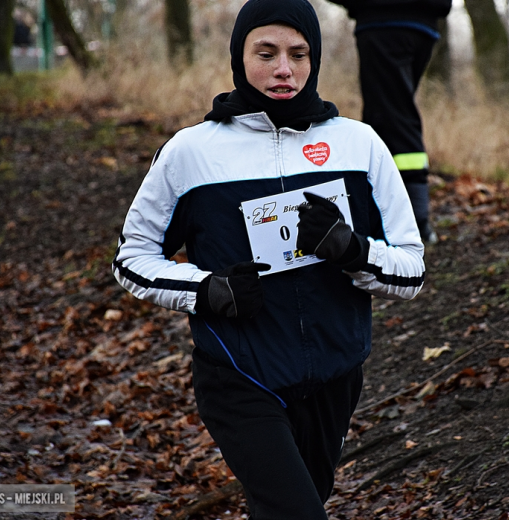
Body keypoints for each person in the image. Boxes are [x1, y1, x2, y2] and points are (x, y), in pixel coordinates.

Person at [111, 0, 425, 518]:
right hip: (239, 374)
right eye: (267, 53)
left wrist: (352, 251)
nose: (284, 69)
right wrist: (205, 289)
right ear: (239, 56)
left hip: (333, 374)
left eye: (299, 54)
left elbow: (411, 268)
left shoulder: (359, 144)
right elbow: (131, 259)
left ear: (315, 58)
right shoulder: (192, 152)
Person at [326, 0, 452, 243]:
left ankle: (414, 220)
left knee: (393, 117)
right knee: (387, 117)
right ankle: (385, 214)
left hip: (384, 22)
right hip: (423, 25)